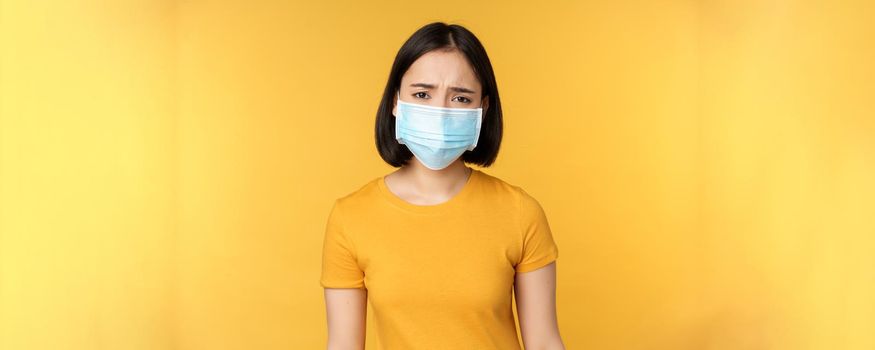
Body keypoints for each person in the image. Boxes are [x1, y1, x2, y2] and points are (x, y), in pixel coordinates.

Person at [320, 22, 565, 350]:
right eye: (422, 94)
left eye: (461, 98)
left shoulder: (520, 212)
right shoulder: (351, 217)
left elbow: (545, 343)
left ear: (483, 109)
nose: (440, 111)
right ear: (396, 101)